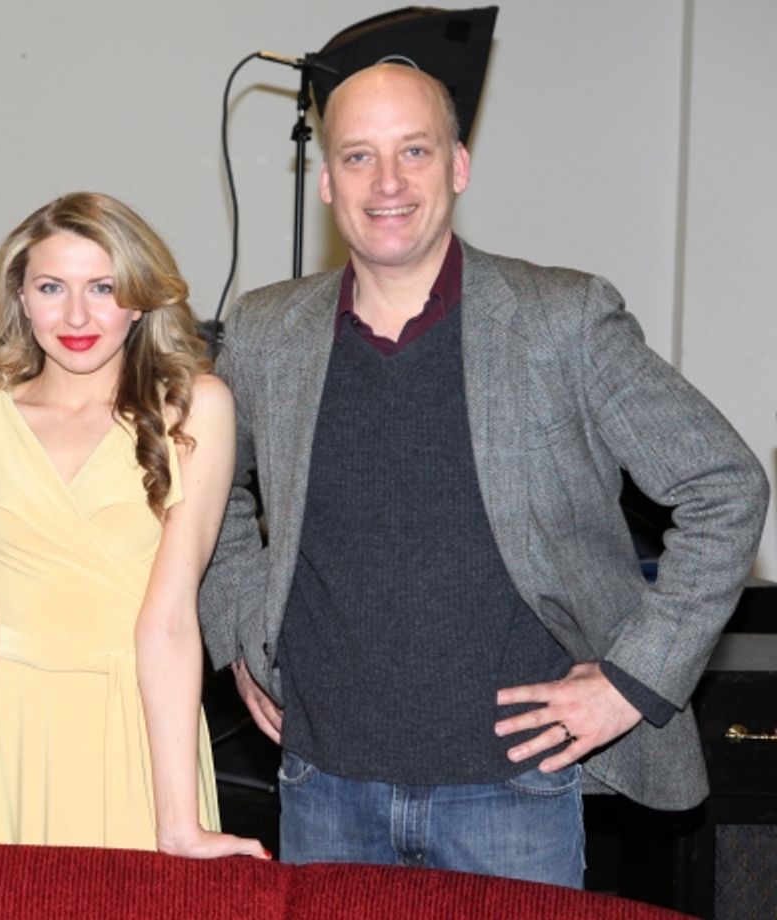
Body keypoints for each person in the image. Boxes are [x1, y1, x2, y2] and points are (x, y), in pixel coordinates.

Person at [199, 62, 768, 886]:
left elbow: (725, 485)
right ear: (326, 181)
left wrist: (632, 681)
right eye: (358, 156)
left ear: (458, 166)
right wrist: (240, 632)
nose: (387, 182)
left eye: (415, 151)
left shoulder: (561, 320)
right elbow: (207, 490)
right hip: (323, 786)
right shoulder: (264, 332)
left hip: (513, 797)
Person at [0, 192, 265, 858]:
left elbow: (168, 623)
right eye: (51, 287)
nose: (76, 316)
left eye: (102, 287)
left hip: (137, 732)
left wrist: (179, 826)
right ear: (20, 296)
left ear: (138, 300)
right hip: (4, 733)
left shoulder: (195, 410)